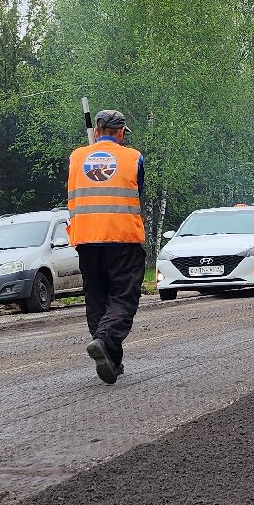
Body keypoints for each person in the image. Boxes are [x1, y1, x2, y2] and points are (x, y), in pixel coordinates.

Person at [66, 109, 145, 384]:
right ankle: (105, 339)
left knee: (97, 296)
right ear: (121, 133)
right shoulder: (133, 157)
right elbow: (138, 190)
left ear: (96, 132)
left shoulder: (76, 157)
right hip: (122, 237)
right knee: (123, 296)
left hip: (86, 239)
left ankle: (112, 360)